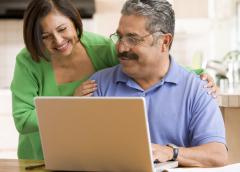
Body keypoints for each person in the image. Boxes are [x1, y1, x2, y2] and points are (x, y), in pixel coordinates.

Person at [11, 0, 216, 160]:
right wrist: (69, 105)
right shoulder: (29, 61)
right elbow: (22, 119)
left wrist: (195, 74)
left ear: (75, 22)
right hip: (38, 156)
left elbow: (147, 61)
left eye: (62, 29)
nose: (57, 41)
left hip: (79, 153)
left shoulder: (100, 48)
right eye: (45, 36)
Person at [89, 0, 228, 167]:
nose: (120, 47)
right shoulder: (99, 84)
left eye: (132, 39)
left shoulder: (197, 89)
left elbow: (217, 155)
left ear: (164, 42)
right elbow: (82, 148)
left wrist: (170, 152)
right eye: (119, 36)